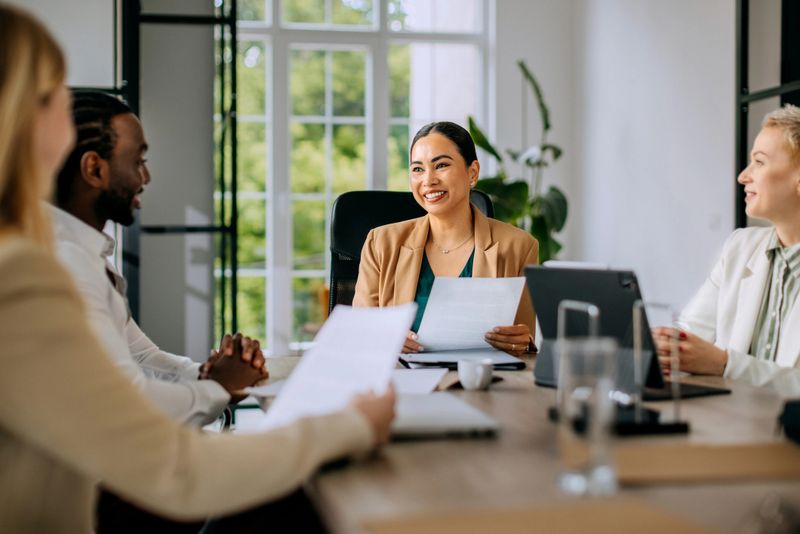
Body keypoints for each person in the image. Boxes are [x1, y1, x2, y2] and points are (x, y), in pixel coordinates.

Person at [0, 4, 395, 532]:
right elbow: (171, 465)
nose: (65, 109)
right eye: (53, 94)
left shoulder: (54, 255)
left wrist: (217, 377)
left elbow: (140, 360)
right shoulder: (28, 272)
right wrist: (350, 426)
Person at [53, 90, 266, 427]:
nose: (146, 178)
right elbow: (126, 404)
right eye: (138, 162)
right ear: (94, 169)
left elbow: (143, 357)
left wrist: (207, 373)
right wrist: (221, 385)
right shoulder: (63, 263)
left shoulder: (86, 255)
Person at [353, 121, 538, 356]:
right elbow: (359, 335)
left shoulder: (519, 246)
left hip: (479, 383)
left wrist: (521, 342)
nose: (428, 180)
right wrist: (384, 339)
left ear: (472, 173)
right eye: (418, 169)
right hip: (402, 381)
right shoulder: (380, 243)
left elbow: (522, 342)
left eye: (441, 165)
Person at [653, 104, 800, 396]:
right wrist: (665, 345)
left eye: (759, 162)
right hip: (733, 423)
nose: (744, 176)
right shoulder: (740, 248)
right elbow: (691, 332)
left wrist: (725, 364)